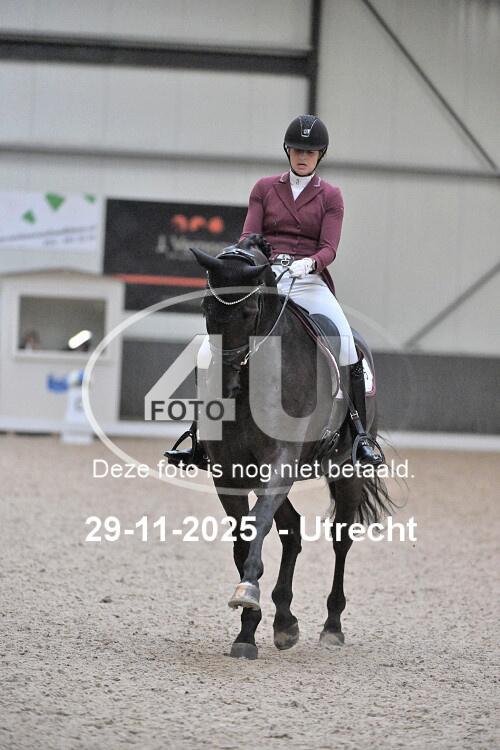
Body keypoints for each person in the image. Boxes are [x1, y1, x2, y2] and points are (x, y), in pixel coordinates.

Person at [166, 115, 382, 467]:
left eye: (309, 152)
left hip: (308, 280)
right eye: (297, 150)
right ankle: (200, 436)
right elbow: (248, 237)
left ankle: (359, 434)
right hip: (265, 277)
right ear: (287, 150)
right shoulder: (265, 189)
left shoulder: (331, 196)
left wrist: (309, 264)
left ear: (320, 155)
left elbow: (329, 247)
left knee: (346, 342)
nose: (302, 157)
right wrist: (254, 260)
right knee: (209, 350)